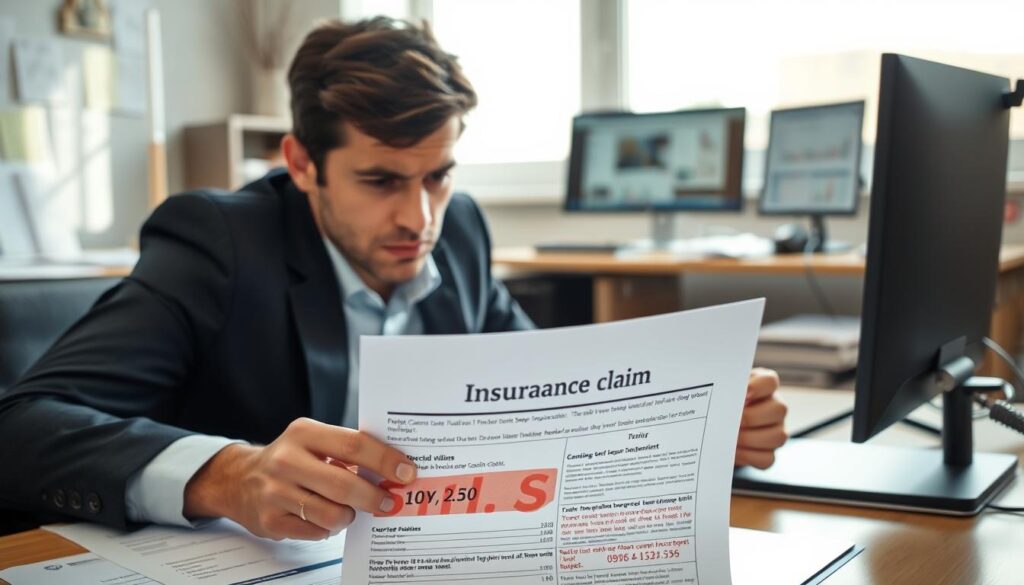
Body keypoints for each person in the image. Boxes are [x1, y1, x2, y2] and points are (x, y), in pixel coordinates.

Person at [0, 17, 787, 541]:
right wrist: (227, 473)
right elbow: (20, 427)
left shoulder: (464, 227)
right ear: (302, 164)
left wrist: (693, 430)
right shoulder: (220, 241)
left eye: (438, 175)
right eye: (380, 180)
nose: (421, 218)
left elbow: (551, 396)